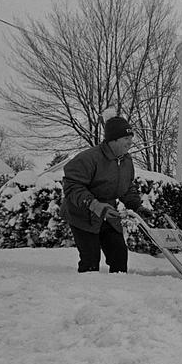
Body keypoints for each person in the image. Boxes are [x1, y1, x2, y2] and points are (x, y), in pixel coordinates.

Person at [61, 115, 149, 273]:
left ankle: (118, 293)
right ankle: (85, 295)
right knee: (91, 260)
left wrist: (137, 207)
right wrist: (94, 205)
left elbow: (126, 188)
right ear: (113, 140)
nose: (130, 142)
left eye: (131, 137)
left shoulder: (126, 161)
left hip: (107, 214)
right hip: (83, 215)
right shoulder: (89, 158)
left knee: (119, 255)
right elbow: (72, 186)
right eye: (126, 138)